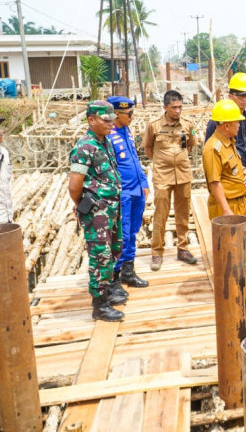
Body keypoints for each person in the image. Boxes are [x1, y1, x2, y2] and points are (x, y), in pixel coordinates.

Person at [68, 101, 125, 322]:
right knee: (100, 256)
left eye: (112, 119)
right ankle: (99, 304)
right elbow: (75, 186)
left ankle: (108, 291)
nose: (111, 123)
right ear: (91, 120)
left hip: (111, 209)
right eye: (105, 120)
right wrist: (86, 206)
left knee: (113, 250)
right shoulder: (84, 147)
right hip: (97, 213)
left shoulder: (105, 142)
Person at [201, 99, 246, 292]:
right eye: (236, 123)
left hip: (238, 202)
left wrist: (245, 171)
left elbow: (232, 168)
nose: (239, 125)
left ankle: (241, 279)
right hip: (227, 205)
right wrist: (226, 211)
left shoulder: (228, 142)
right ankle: (231, 287)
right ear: (226, 126)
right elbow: (214, 182)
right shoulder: (213, 148)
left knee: (238, 247)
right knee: (227, 249)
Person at [143, 90, 198, 269]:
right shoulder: (154, 126)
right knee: (161, 214)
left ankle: (183, 248)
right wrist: (162, 161)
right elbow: (148, 149)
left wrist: (178, 158)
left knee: (183, 214)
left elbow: (190, 145)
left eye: (180, 107)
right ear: (165, 107)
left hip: (183, 174)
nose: (177, 111)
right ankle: (157, 252)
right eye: (174, 107)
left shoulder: (188, 125)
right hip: (162, 176)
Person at [106, 96, 149, 301]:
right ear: (116, 114)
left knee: (132, 232)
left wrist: (144, 183)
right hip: (122, 193)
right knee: (120, 235)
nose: (132, 117)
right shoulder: (108, 135)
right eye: (129, 114)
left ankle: (128, 272)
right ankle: (114, 279)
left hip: (136, 191)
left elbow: (134, 158)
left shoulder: (127, 131)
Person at [205, 72, 246, 215]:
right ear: (230, 96)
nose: (244, 100)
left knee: (245, 214)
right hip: (228, 181)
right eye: (240, 96)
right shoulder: (216, 123)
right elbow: (211, 157)